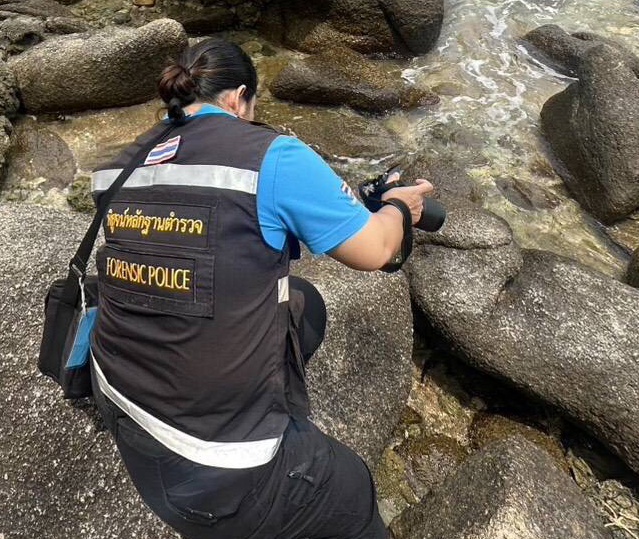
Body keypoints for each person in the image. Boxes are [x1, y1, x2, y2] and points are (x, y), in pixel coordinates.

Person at [89, 38, 436, 539]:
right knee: (350, 491)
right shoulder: (273, 155)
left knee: (304, 303)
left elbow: (214, 230)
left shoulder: (116, 166)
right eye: (252, 108)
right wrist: (399, 208)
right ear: (239, 97)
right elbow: (377, 251)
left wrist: (353, 200)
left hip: (123, 409)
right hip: (219, 468)